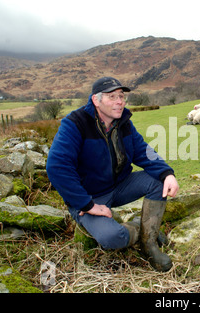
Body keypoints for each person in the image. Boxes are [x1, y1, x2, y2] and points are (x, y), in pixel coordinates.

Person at [46, 77, 179, 272]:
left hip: (119, 186)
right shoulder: (74, 124)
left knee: (159, 181)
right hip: (88, 196)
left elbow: (142, 151)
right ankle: (139, 229)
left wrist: (167, 173)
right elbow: (57, 167)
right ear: (95, 100)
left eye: (121, 96)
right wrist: (87, 204)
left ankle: (148, 243)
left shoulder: (123, 122)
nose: (119, 101)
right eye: (112, 97)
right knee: (112, 238)